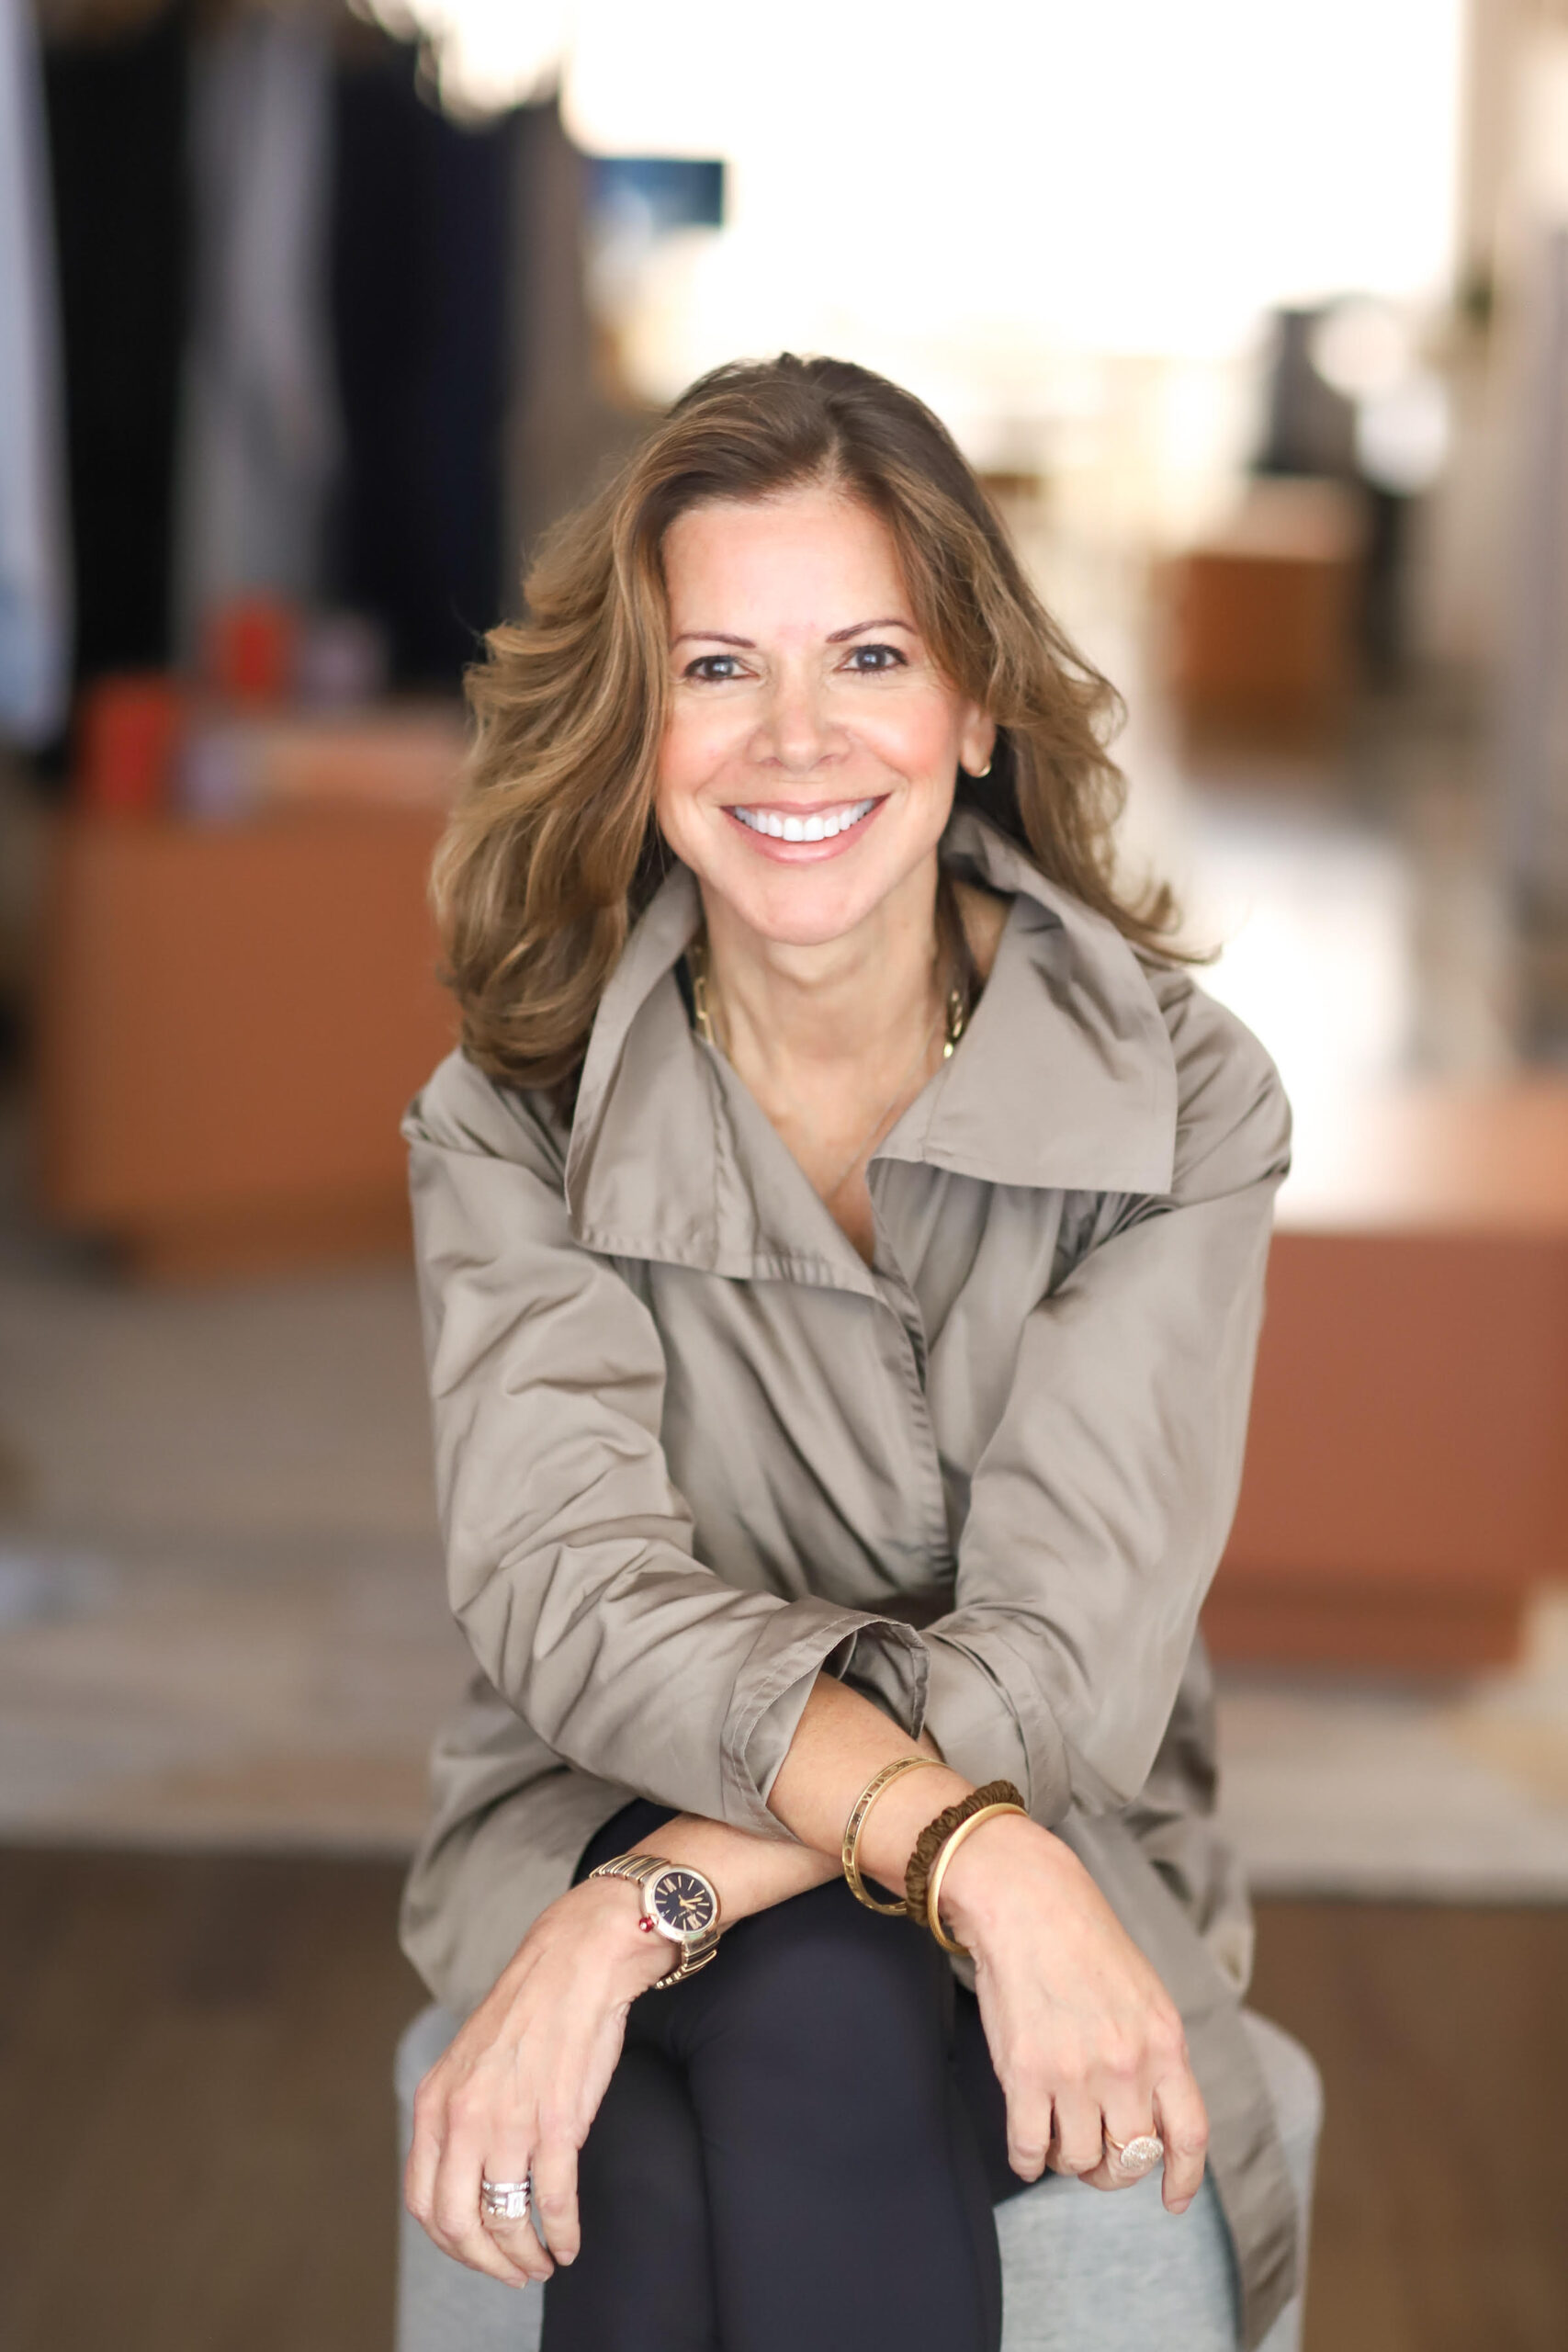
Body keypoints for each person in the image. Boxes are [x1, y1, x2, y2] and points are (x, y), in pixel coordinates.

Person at [400, 355, 1298, 2352]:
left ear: (972, 703)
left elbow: (1062, 1664)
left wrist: (645, 1918)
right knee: (771, 2038)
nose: (792, 738)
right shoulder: (510, 1110)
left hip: (1039, 1811)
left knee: (761, 2031)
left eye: (868, 652)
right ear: (637, 727)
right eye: (715, 667)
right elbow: (572, 1603)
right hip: (589, 1783)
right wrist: (914, 1839)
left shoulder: (1179, 1103)